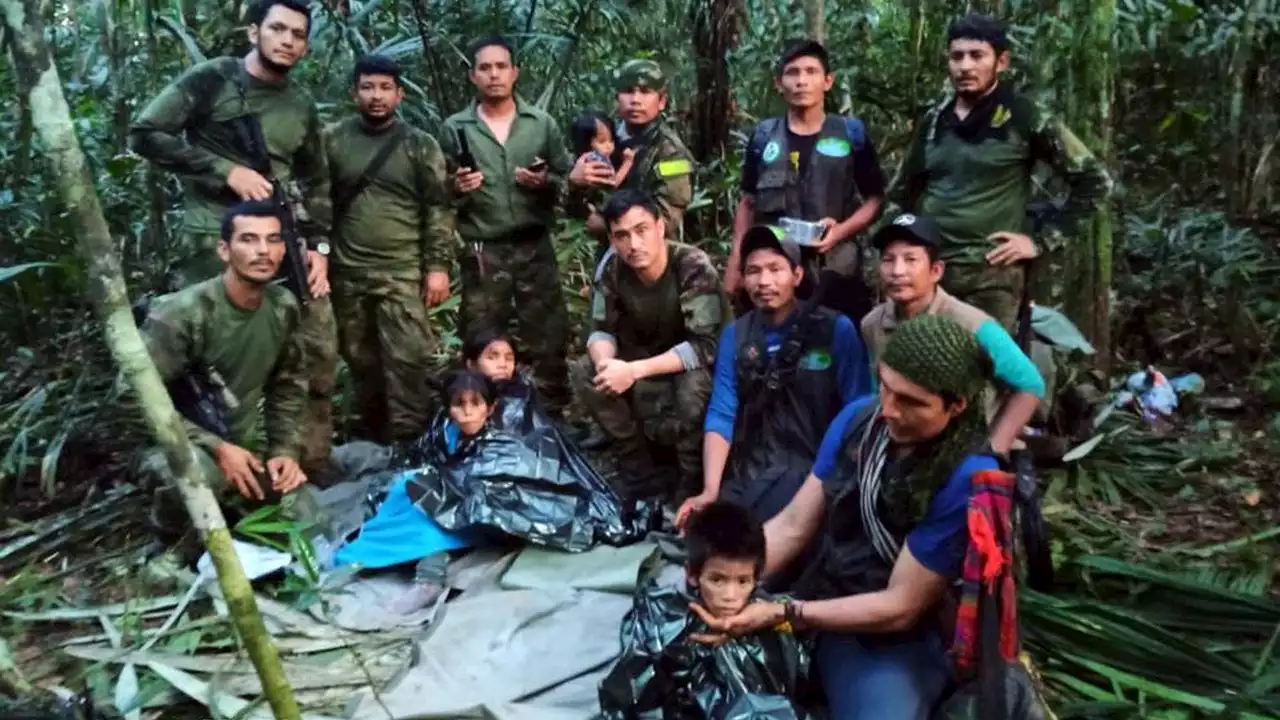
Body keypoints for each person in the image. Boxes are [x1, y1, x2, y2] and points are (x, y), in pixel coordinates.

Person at [689, 314, 1002, 719]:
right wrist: (725, 581)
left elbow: (902, 605)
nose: (888, 410)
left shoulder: (966, 477)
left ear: (956, 405)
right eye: (886, 387)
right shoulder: (858, 419)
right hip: (825, 587)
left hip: (891, 631)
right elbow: (793, 525)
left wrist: (784, 613)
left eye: (910, 401)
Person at [129, 0, 339, 477]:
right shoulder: (213, 80)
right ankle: (211, 465)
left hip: (283, 240)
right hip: (214, 241)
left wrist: (319, 248)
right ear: (253, 32)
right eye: (277, 29)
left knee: (315, 346)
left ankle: (304, 463)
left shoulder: (299, 103)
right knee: (210, 359)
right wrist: (226, 171)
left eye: (297, 34)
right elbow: (144, 133)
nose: (287, 40)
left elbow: (318, 181)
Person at [887, 14, 1112, 330]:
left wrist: (1040, 241)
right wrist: (897, 254)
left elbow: (1095, 182)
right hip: (931, 272)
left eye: (977, 56)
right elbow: (901, 193)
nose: (965, 66)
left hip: (991, 275)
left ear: (1001, 61)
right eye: (957, 57)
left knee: (984, 370)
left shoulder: (1024, 116)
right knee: (922, 366)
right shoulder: (934, 121)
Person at [133, 202, 309, 537]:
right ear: (224, 250)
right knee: (199, 476)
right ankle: (169, 540)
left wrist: (284, 451)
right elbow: (132, 401)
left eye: (273, 240)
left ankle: (234, 512)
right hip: (173, 443)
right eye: (249, 240)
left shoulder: (283, 306)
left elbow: (288, 385)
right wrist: (216, 447)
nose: (262, 251)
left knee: (306, 520)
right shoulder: (182, 314)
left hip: (241, 446)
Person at [677, 225, 870, 528]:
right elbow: (721, 413)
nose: (764, 281)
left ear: (797, 275)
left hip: (816, 471)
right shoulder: (736, 335)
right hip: (754, 470)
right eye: (753, 270)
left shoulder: (835, 329)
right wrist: (710, 490)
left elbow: (859, 409)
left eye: (775, 269)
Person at [323, 54, 455, 445]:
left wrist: (438, 267)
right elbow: (315, 200)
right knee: (362, 362)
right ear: (354, 93)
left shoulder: (419, 145)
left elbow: (438, 207)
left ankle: (411, 441)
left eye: (385, 88)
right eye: (367, 87)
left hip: (402, 270)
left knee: (409, 361)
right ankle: (376, 439)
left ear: (399, 95)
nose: (376, 96)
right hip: (347, 272)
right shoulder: (332, 140)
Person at [439, 35, 575, 413]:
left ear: (515, 73)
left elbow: (568, 180)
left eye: (501, 67)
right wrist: (458, 187)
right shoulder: (455, 128)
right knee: (481, 332)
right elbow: (440, 192)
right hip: (484, 249)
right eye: (485, 68)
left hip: (534, 244)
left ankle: (551, 414)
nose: (494, 75)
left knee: (548, 331)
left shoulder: (540, 124)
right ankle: (481, 411)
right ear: (473, 76)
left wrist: (543, 182)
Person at [569, 190, 729, 503]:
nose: (633, 245)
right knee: (585, 371)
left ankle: (692, 481)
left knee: (694, 385)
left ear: (660, 227)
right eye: (622, 236)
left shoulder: (691, 265)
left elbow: (705, 346)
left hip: (690, 365)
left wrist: (632, 370)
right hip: (640, 360)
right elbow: (600, 330)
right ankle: (638, 472)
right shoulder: (613, 269)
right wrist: (606, 366)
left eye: (641, 230)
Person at [598, 501, 811, 718]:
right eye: (717, 580)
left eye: (742, 581)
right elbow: (630, 695)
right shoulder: (666, 627)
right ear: (692, 574)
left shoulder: (772, 617)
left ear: (756, 579)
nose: (730, 596)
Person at [728, 40, 887, 322]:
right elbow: (748, 201)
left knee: (837, 344)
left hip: (836, 269)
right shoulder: (764, 137)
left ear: (827, 81)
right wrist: (737, 261)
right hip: (775, 270)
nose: (801, 81)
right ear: (779, 82)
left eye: (811, 72)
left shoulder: (850, 134)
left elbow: (875, 199)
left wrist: (841, 231)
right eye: (793, 73)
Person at [863, 213, 1045, 458]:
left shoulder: (971, 324)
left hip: (964, 446)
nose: (897, 271)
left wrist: (994, 447)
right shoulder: (872, 324)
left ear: (936, 271)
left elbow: (1030, 385)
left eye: (910, 259)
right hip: (903, 441)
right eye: (888, 260)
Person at [333, 370, 496, 615]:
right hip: (440, 499)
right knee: (402, 493)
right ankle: (365, 554)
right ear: (448, 409)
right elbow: (428, 464)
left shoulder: (501, 443)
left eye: (476, 403)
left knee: (428, 526)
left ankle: (429, 578)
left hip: (472, 513)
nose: (467, 411)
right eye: (458, 404)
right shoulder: (444, 433)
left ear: (490, 408)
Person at [571, 59, 695, 243]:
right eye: (628, 91)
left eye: (645, 92)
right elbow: (570, 208)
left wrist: (607, 224)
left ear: (661, 101)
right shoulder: (601, 138)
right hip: (610, 257)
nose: (635, 100)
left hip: (651, 257)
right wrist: (574, 183)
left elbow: (667, 217)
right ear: (617, 99)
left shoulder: (671, 152)